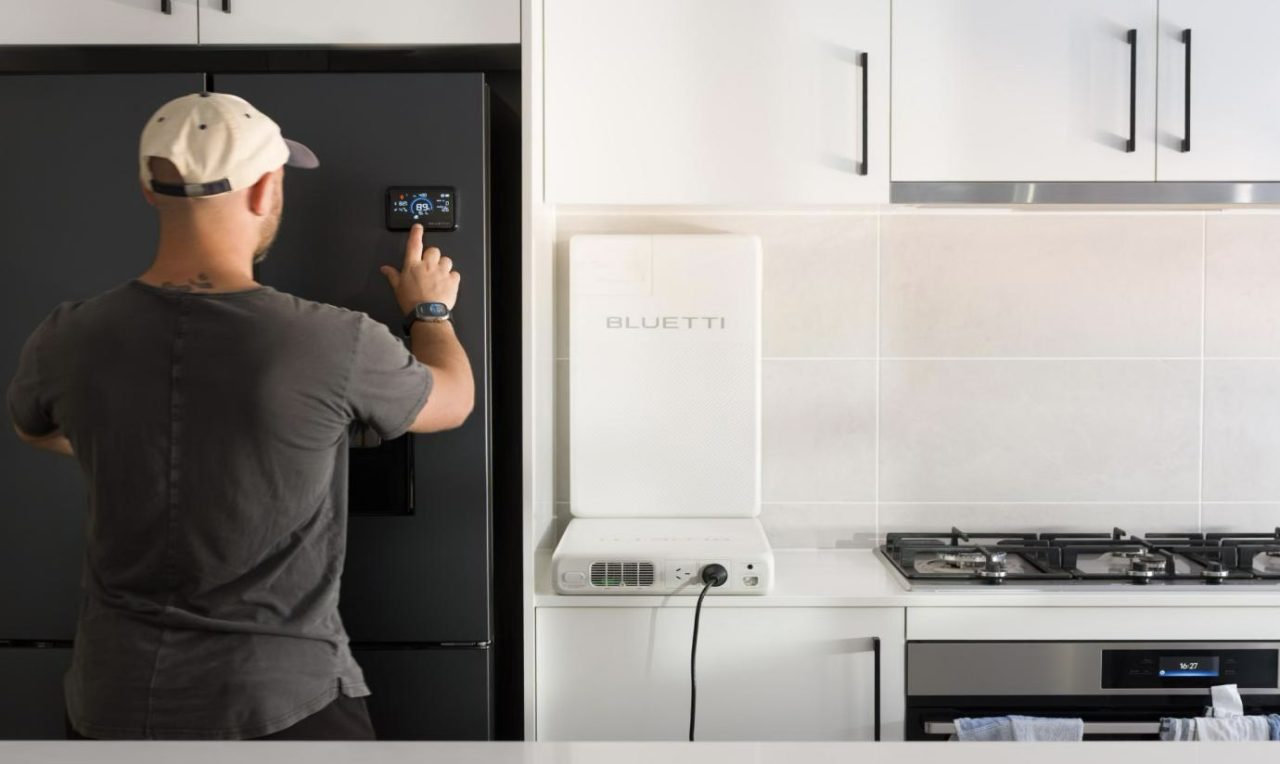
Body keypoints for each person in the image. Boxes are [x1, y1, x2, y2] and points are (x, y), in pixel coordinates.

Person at [5, 92, 474, 740]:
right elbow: (452, 401)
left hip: (113, 704)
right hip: (281, 704)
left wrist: (161, 439)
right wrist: (431, 314)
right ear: (264, 192)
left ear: (149, 188)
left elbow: (35, 428)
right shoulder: (333, 342)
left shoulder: (67, 337)